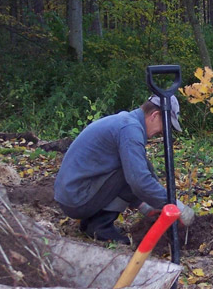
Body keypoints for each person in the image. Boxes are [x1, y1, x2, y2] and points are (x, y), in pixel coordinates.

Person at [54, 95, 195, 243]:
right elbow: (139, 181)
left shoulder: (126, 121)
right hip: (77, 198)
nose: (161, 133)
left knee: (137, 164)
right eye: (163, 127)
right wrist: (174, 206)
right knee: (132, 171)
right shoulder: (130, 129)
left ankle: (93, 222)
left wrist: (149, 206)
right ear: (155, 115)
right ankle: (100, 226)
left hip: (74, 193)